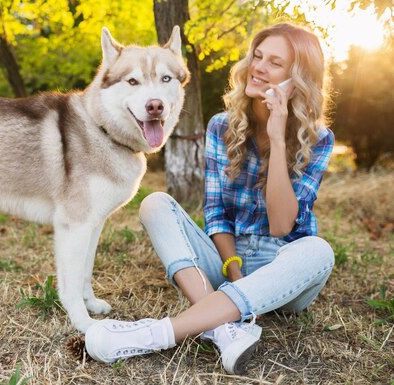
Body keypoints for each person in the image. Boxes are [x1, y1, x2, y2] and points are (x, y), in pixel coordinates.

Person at [84, 22, 335, 375]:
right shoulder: (221, 126)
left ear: (299, 78)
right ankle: (224, 329)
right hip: (226, 262)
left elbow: (282, 226)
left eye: (274, 63)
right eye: (257, 56)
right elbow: (216, 212)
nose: (258, 66)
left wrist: (278, 138)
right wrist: (232, 269)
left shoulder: (319, 138)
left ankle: (156, 333)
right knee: (155, 203)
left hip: (284, 271)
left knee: (319, 250)